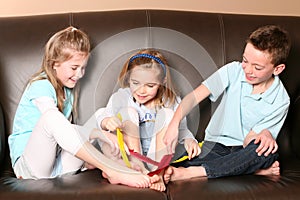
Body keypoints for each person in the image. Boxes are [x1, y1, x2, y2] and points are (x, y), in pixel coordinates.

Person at [8, 26, 158, 188]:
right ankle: (111, 169)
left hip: (59, 166)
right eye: (74, 68)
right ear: (54, 64)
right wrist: (100, 135)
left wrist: (97, 134)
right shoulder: (41, 86)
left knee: (101, 115)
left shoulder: (67, 91)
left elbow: (66, 135)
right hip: (31, 168)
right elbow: (54, 123)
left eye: (83, 68)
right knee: (52, 117)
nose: (79, 74)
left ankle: (127, 167)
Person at [163, 25, 291, 181]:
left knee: (266, 152)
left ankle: (194, 172)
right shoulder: (233, 71)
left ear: (277, 69)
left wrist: (265, 135)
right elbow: (193, 97)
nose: (248, 70)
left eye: (257, 67)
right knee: (174, 162)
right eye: (245, 60)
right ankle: (249, 170)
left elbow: (248, 141)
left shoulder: (281, 100)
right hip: (215, 146)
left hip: (244, 151)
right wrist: (173, 125)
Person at [96, 49, 201, 191]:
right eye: (135, 83)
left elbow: (180, 128)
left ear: (162, 82)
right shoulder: (121, 97)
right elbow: (102, 117)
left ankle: (157, 172)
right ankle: (136, 169)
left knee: (169, 114)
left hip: (157, 156)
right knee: (128, 113)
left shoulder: (171, 99)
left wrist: (189, 140)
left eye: (150, 86)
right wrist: (107, 121)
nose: (141, 90)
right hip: (130, 156)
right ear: (128, 79)